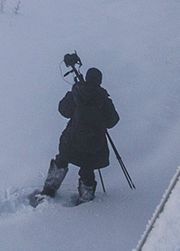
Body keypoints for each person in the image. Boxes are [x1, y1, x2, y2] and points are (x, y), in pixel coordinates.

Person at [41, 66, 120, 203]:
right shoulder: (103, 99)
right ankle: (86, 197)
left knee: (62, 160)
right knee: (88, 168)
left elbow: (64, 110)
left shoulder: (77, 92)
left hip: (72, 139)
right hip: (94, 144)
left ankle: (49, 190)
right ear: (99, 81)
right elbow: (112, 121)